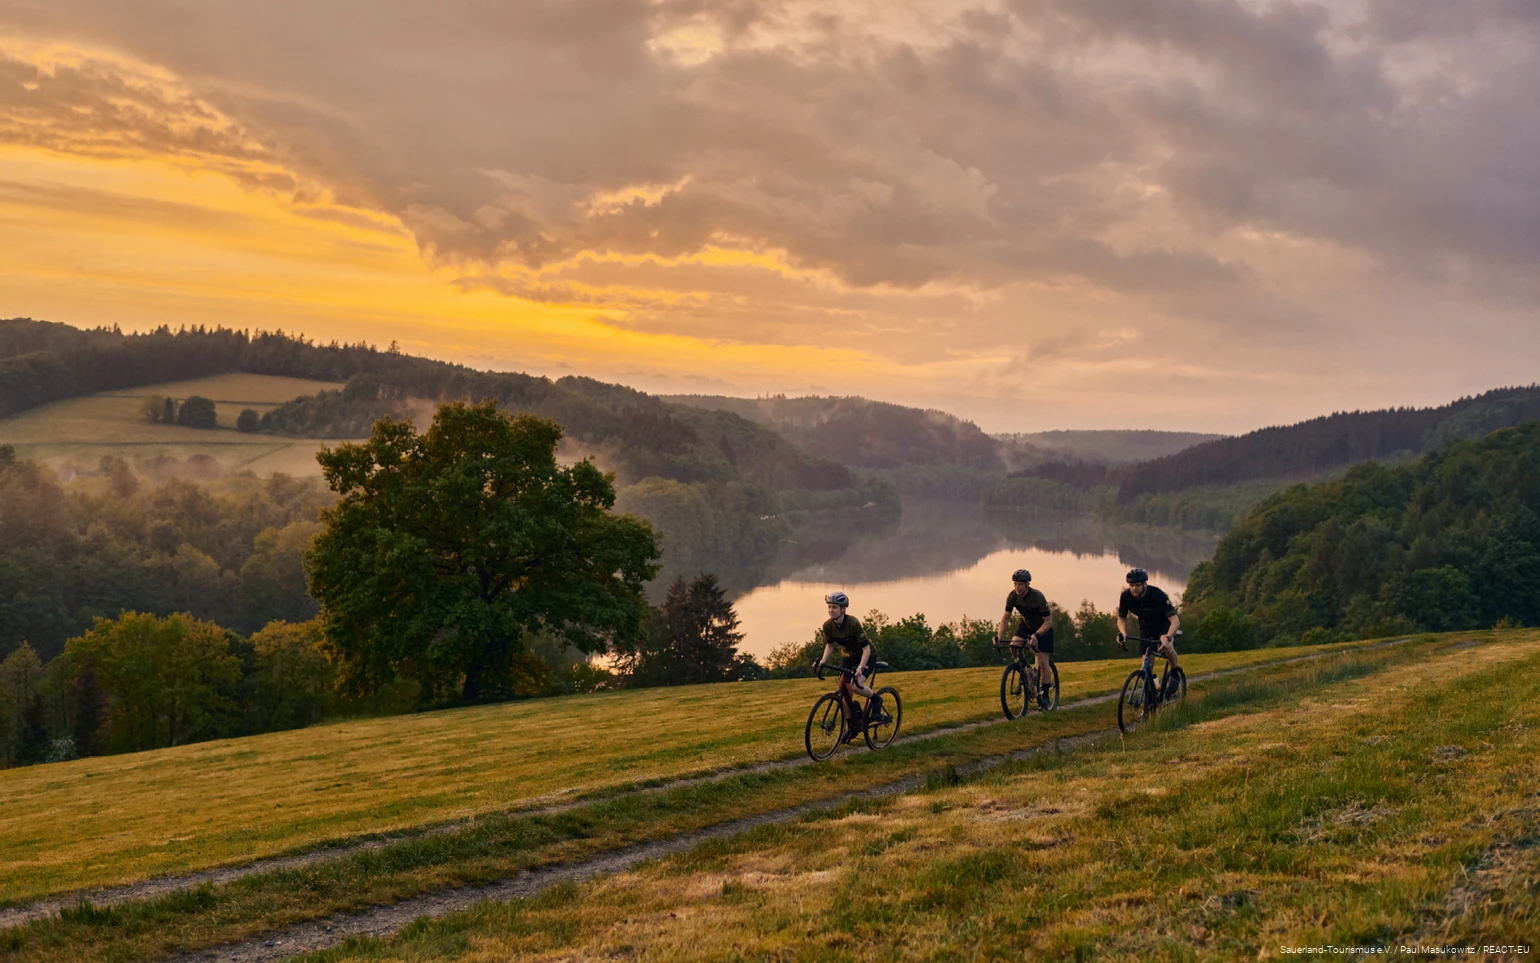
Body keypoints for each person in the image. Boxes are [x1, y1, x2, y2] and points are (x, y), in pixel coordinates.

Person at [814, 591, 877, 742]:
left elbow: (866, 649)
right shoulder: (828, 626)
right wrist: (822, 662)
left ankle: (876, 699)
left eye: (834, 607)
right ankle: (852, 727)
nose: (831, 610)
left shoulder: (853, 623)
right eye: (829, 607)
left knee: (856, 686)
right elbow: (830, 646)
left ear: (843, 609)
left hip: (867, 655)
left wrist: (861, 668)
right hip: (848, 657)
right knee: (844, 690)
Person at [997, 568, 1055, 709]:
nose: (1017, 587)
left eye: (1020, 584)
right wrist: (998, 636)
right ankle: (1027, 671)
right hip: (1026, 624)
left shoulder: (1037, 597)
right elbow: (1006, 618)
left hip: (1043, 628)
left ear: (1027, 584)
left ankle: (1046, 695)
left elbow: (1049, 622)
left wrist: (1036, 635)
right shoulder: (1012, 596)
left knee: (1042, 660)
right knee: (1014, 645)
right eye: (1015, 584)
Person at [1116, 567, 1181, 690]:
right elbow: (1121, 618)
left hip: (1164, 625)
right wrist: (1123, 633)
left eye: (1137, 585)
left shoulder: (1157, 595)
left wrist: (1168, 637)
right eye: (1131, 585)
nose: (1134, 588)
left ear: (1145, 584)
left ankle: (1174, 673)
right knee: (1147, 661)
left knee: (1167, 646)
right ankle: (1152, 691)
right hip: (1146, 627)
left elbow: (1175, 621)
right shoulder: (1126, 596)